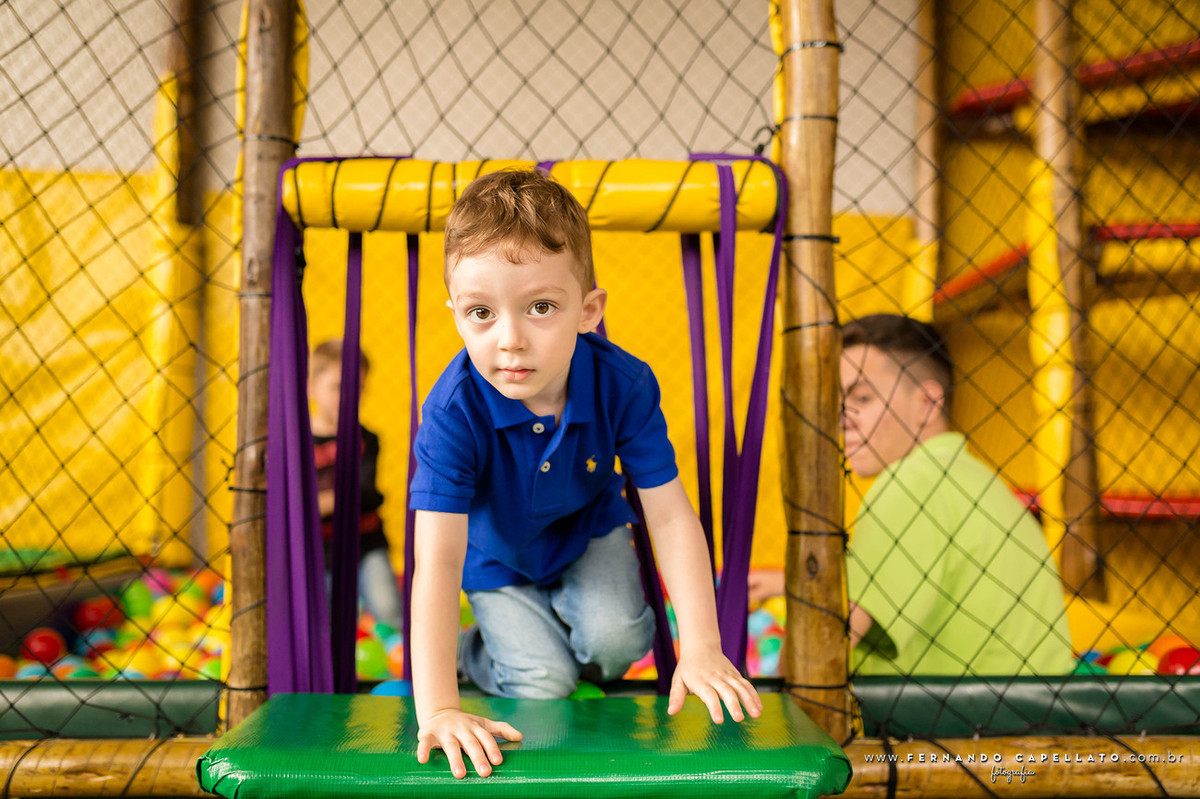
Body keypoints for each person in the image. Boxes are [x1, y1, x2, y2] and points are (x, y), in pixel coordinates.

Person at [408, 169, 761, 780]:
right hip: (499, 560)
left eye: (540, 307)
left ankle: (555, 636)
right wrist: (439, 707)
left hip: (588, 532)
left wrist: (701, 643)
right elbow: (436, 562)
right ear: (455, 315)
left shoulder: (622, 384)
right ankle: (477, 655)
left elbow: (671, 513)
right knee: (544, 684)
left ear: (588, 311)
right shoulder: (451, 412)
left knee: (620, 642)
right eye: (481, 313)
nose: (510, 340)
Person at [841, 314, 1073, 676]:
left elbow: (827, 641)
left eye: (862, 398)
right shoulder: (981, 483)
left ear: (928, 404)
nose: (843, 417)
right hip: (1034, 720)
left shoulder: (910, 483)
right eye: (835, 401)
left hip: (946, 729)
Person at [309, 339, 405, 632]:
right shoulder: (298, 441)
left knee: (389, 608)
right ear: (311, 387)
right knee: (322, 617)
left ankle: (407, 662)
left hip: (366, 544)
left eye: (358, 387)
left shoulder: (366, 439)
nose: (349, 396)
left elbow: (362, 494)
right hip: (318, 549)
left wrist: (318, 502)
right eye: (338, 387)